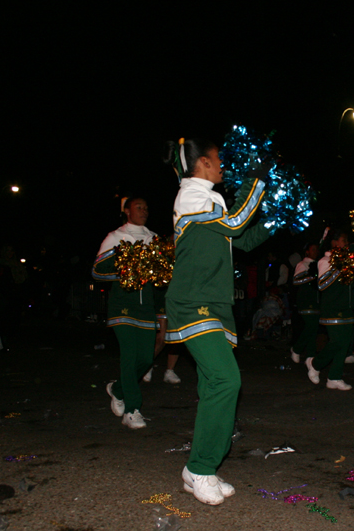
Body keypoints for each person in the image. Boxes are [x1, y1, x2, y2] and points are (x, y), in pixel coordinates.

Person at [164, 138, 269, 506]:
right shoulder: (190, 195)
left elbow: (240, 237)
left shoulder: (210, 198)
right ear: (202, 163)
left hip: (215, 304)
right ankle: (202, 466)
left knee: (213, 386)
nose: (223, 165)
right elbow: (237, 221)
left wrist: (276, 219)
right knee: (227, 379)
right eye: (219, 159)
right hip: (195, 302)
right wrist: (256, 182)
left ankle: (198, 470)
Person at [92, 196, 162, 429]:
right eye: (138, 207)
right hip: (122, 305)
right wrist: (126, 270)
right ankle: (132, 410)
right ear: (127, 211)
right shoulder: (116, 237)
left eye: (146, 207)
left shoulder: (153, 238)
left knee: (145, 358)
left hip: (146, 307)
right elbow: (98, 272)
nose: (144, 210)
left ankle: (117, 388)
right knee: (130, 356)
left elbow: (161, 275)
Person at [304, 228, 354, 391]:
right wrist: (340, 267)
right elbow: (322, 284)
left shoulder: (346, 261)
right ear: (334, 243)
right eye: (343, 241)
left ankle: (334, 377)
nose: (346, 244)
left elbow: (351, 285)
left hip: (346, 308)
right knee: (336, 342)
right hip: (332, 308)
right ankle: (315, 363)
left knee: (344, 343)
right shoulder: (325, 261)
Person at [290, 242, 320, 363]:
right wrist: (311, 276)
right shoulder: (302, 264)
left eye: (316, 250)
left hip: (316, 299)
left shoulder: (317, 264)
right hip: (306, 300)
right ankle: (297, 348)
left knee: (314, 327)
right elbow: (296, 281)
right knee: (311, 326)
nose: (315, 252)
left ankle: (310, 356)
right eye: (313, 249)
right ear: (307, 251)